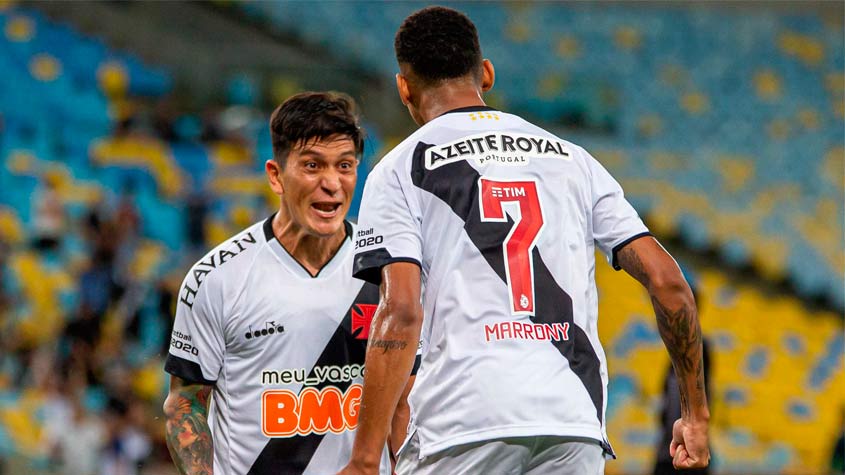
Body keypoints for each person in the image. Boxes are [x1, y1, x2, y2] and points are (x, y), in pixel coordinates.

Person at [340, 6, 709, 475]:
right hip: (571, 420)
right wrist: (694, 415)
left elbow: (402, 310)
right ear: (486, 74)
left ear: (404, 87)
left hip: (462, 424)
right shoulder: (573, 159)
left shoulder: (399, 169)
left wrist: (365, 458)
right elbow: (668, 281)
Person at [164, 92, 416, 475]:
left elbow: (406, 401)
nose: (332, 183)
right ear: (276, 176)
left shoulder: (388, 272)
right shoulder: (216, 278)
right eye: (313, 165)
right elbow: (186, 404)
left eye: (345, 166)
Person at [653, 270, 713, 475]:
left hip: (686, 451)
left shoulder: (699, 349)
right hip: (670, 450)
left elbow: (699, 398)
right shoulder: (676, 353)